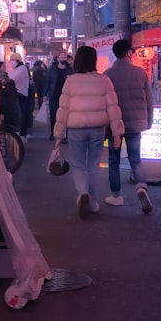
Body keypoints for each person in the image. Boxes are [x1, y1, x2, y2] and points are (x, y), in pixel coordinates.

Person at [53, 45, 124, 219]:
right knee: (93, 165)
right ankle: (92, 202)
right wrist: (117, 133)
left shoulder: (71, 81)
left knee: (78, 165)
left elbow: (63, 109)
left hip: (76, 129)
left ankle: (82, 192)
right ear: (94, 61)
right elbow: (113, 108)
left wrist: (58, 134)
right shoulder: (104, 80)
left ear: (77, 61)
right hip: (97, 128)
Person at [103, 39, 154, 214]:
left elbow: (105, 103)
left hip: (115, 124)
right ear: (128, 53)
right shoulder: (140, 73)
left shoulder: (108, 74)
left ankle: (116, 196)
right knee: (135, 159)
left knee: (114, 160)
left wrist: (105, 127)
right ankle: (141, 187)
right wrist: (149, 120)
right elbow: (149, 99)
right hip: (136, 122)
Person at [45, 51, 74, 140]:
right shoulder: (52, 69)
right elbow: (47, 82)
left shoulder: (70, 70)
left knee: (66, 117)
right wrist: (44, 94)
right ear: (58, 59)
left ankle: (65, 135)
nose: (63, 59)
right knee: (54, 116)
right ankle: (53, 133)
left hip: (66, 97)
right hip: (54, 95)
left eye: (64, 57)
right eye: (61, 57)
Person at [6, 51, 32, 139]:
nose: (11, 62)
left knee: (21, 114)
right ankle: (21, 133)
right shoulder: (16, 69)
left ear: (17, 60)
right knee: (20, 114)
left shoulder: (22, 69)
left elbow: (12, 79)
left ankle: (22, 134)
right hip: (17, 95)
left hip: (21, 95)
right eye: (10, 60)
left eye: (12, 60)